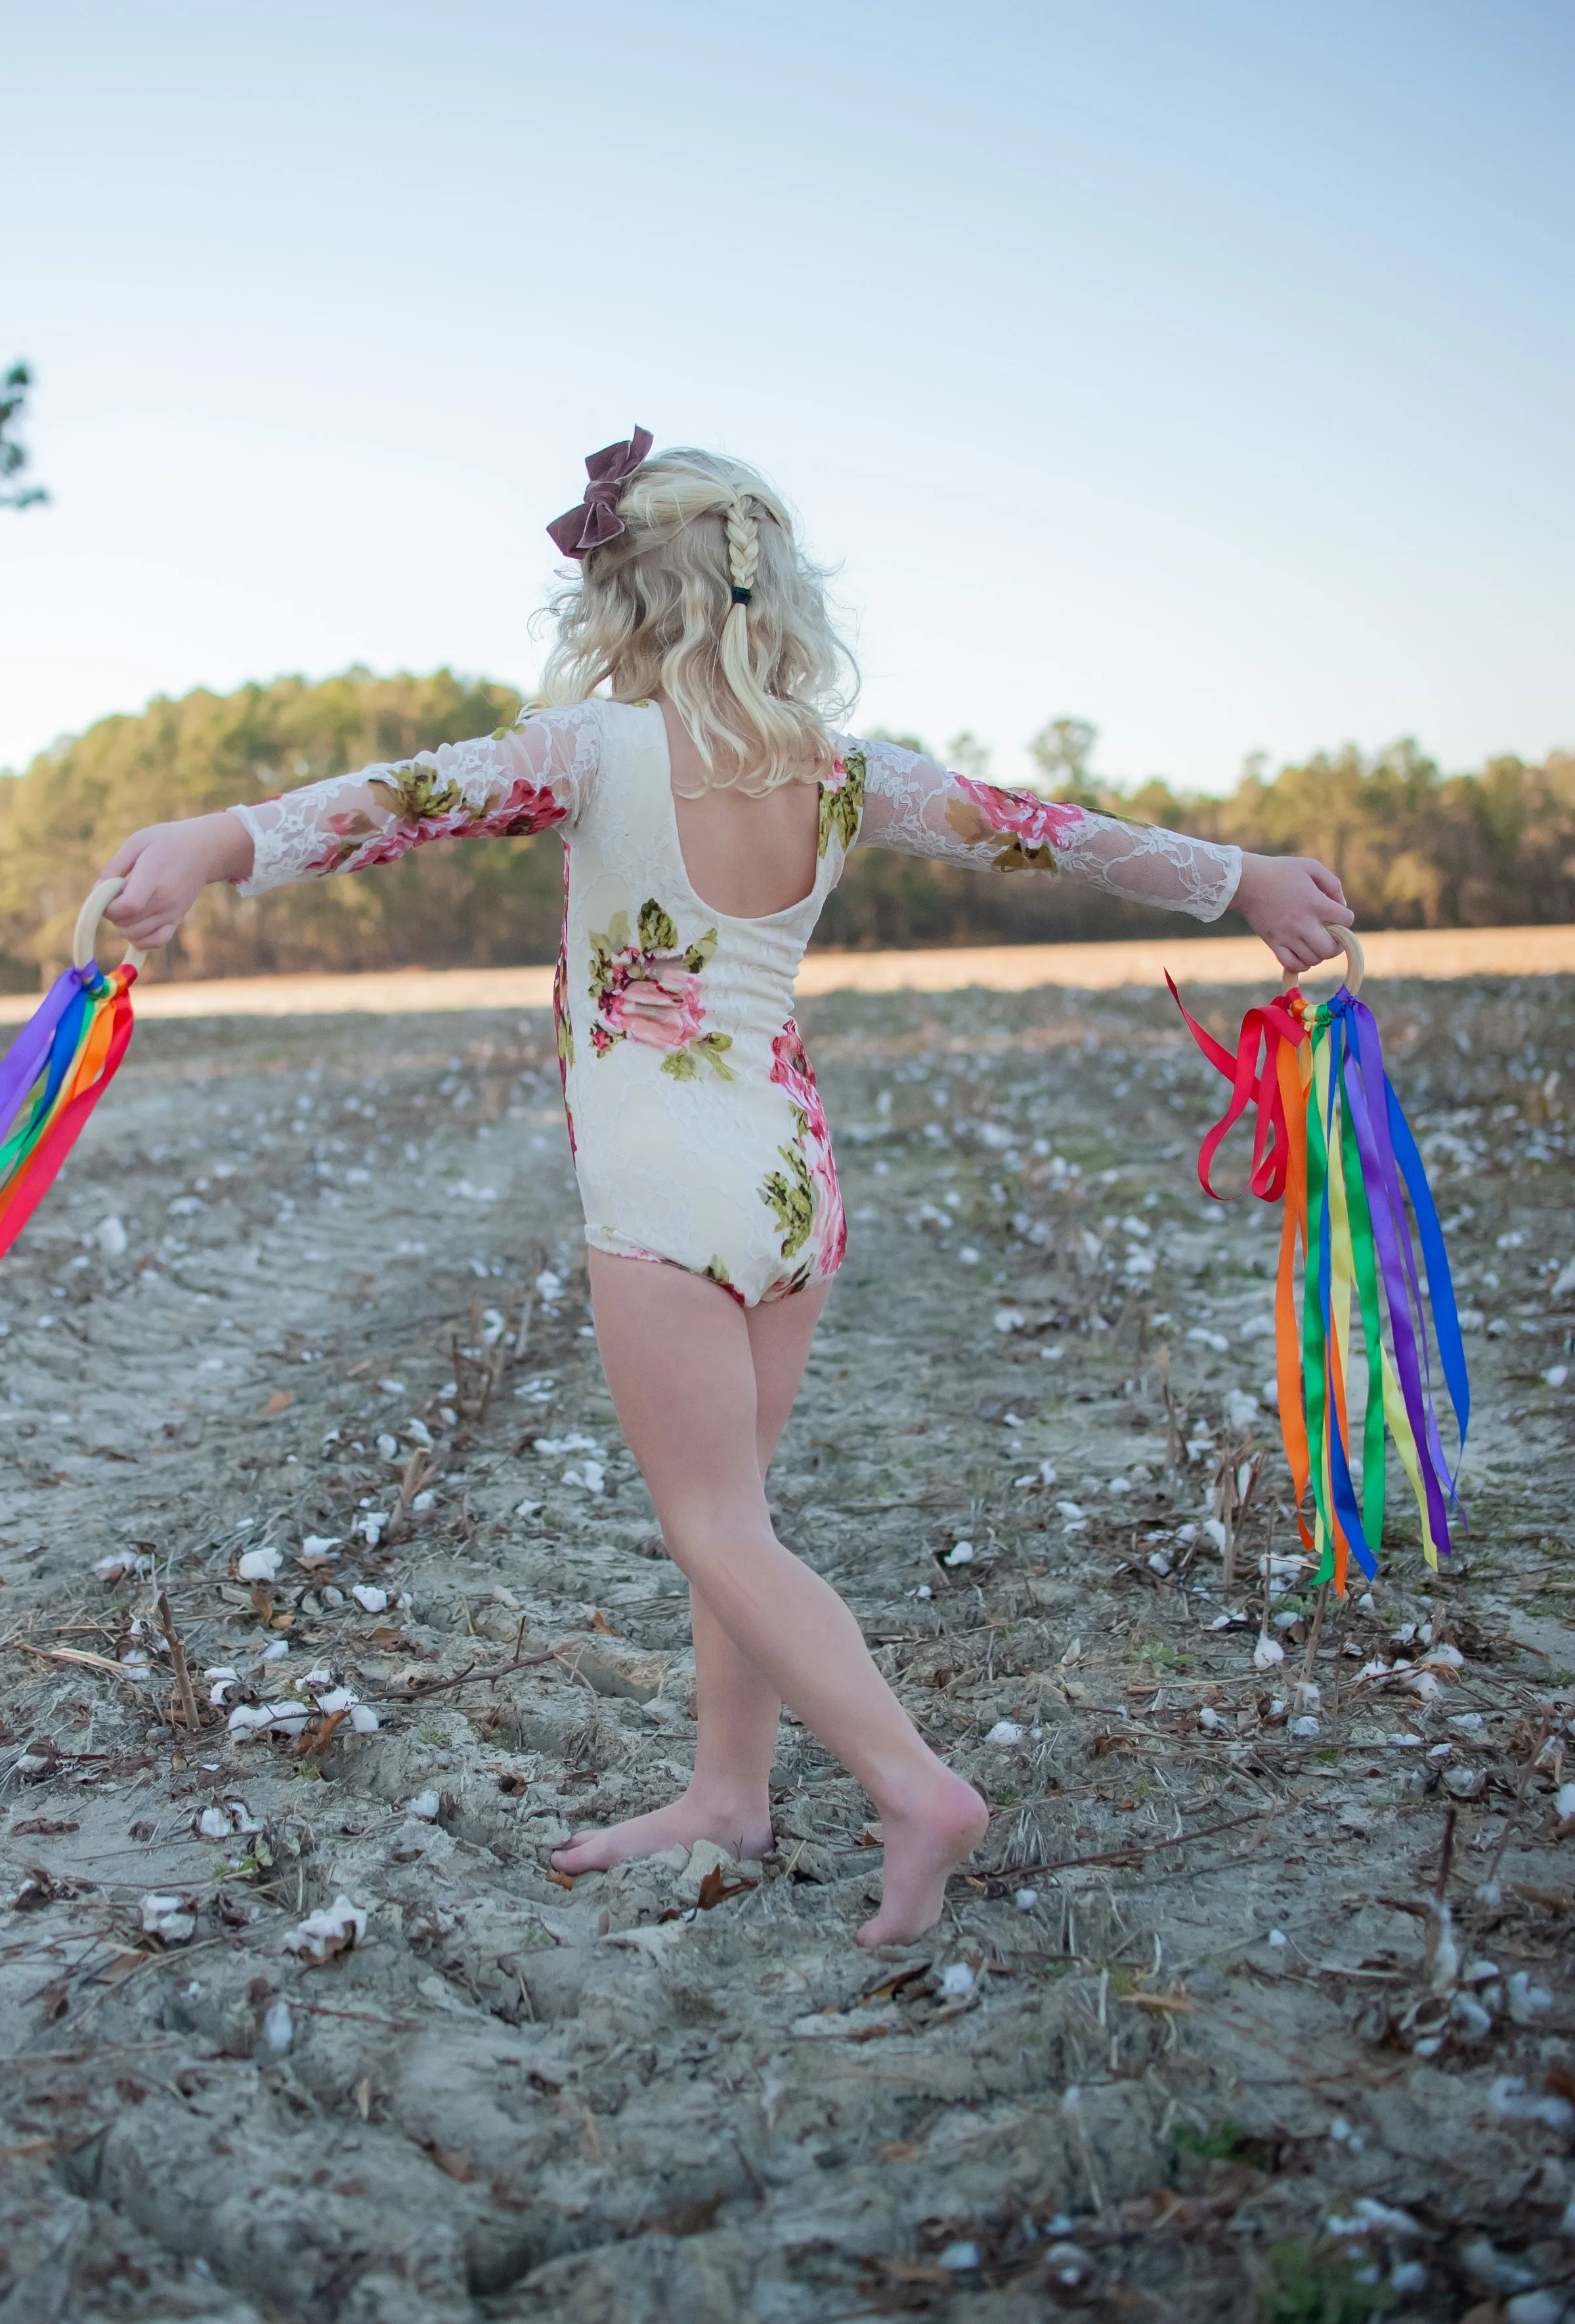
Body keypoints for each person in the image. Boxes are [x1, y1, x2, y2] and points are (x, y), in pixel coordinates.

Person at [100, 431, 1352, 1946]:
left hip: (662, 1189)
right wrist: (1245, 878)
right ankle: (725, 1794)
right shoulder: (842, 775)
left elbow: (394, 801)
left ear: (626, 599)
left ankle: (913, 1786)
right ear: (770, 593)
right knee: (739, 1518)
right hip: (793, 1181)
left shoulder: (590, 745)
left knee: (710, 1523)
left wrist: (212, 844)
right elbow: (1054, 836)